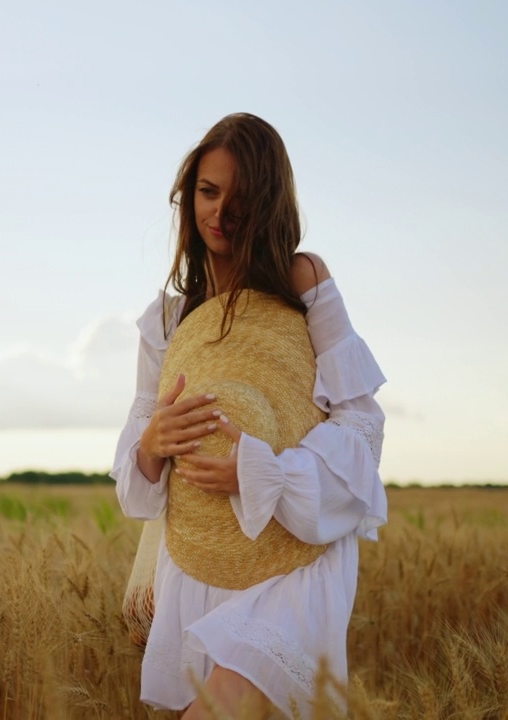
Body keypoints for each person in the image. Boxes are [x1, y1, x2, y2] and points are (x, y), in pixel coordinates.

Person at [111, 113, 388, 718]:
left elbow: (362, 426)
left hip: (295, 550)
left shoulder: (303, 279)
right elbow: (137, 463)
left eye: (239, 198)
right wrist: (153, 441)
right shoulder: (168, 319)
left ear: (269, 201)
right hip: (204, 554)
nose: (220, 213)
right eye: (207, 193)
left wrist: (257, 473)